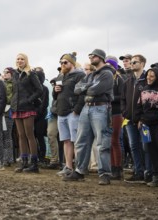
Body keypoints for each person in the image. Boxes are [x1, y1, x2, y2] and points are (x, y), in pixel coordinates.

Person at [67, 49, 114, 185]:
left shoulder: (107, 74)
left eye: (93, 56)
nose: (91, 57)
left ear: (100, 57)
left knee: (102, 142)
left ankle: (104, 173)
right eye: (90, 56)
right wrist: (88, 86)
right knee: (81, 140)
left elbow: (95, 90)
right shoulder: (91, 75)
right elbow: (76, 89)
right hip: (86, 107)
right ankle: (80, 171)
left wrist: (85, 88)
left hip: (101, 108)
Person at [121, 54, 152, 183]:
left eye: (135, 62)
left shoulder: (147, 80)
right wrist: (125, 112)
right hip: (129, 120)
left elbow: (149, 101)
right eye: (131, 62)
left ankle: (148, 173)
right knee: (134, 146)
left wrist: (143, 118)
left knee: (145, 146)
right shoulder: (128, 81)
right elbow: (123, 99)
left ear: (143, 63)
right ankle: (138, 172)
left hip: (143, 120)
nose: (132, 64)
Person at [53, 52, 85, 178]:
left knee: (76, 141)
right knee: (66, 141)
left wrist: (76, 110)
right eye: (61, 62)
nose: (62, 64)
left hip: (73, 112)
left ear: (72, 63)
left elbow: (82, 93)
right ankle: (68, 166)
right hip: (61, 112)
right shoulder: (60, 76)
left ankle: (78, 168)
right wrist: (55, 92)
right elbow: (56, 96)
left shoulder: (80, 75)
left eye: (65, 62)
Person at [11, 53, 43, 173]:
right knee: (21, 135)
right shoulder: (14, 74)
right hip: (17, 107)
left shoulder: (31, 73)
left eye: (22, 59)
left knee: (30, 135)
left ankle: (34, 164)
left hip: (28, 107)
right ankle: (24, 162)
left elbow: (39, 90)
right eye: (18, 59)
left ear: (26, 61)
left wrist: (29, 99)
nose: (19, 61)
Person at [105, 56, 124, 180]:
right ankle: (113, 167)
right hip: (107, 112)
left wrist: (109, 97)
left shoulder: (119, 80)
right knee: (110, 142)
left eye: (111, 65)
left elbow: (122, 96)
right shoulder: (107, 79)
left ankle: (118, 169)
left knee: (115, 141)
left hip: (117, 112)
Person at [2, 67, 15, 166]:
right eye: (4, 72)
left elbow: (11, 98)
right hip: (0, 112)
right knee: (1, 135)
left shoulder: (14, 84)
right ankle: (3, 157)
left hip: (8, 112)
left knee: (7, 135)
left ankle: (8, 158)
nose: (5, 74)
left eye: (7, 72)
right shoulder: (1, 83)